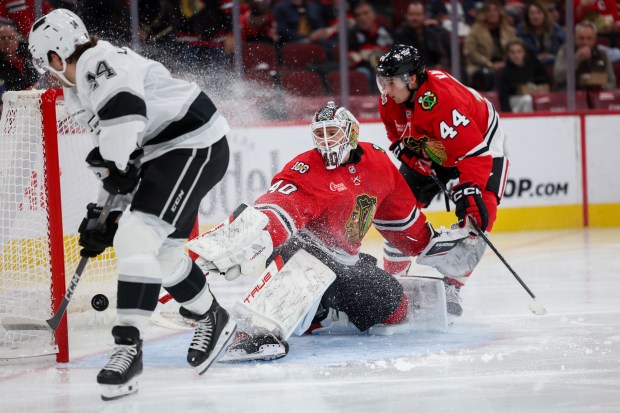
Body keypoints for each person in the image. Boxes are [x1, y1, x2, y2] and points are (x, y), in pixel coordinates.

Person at [28, 9, 236, 401]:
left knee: (136, 238)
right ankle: (212, 315)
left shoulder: (96, 63)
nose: (47, 71)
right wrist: (102, 213)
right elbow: (121, 161)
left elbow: (125, 121)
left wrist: (115, 196)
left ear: (55, 56)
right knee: (163, 255)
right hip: (169, 149)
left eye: (45, 63)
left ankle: (127, 348)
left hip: (192, 143)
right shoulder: (81, 89)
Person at [192, 101, 479, 361]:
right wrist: (261, 233)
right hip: (303, 249)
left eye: (334, 132)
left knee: (394, 306)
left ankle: (322, 311)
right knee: (302, 262)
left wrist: (433, 245)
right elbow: (280, 206)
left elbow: (403, 222)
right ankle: (255, 328)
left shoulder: (378, 162)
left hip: (346, 264)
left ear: (352, 133)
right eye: (321, 134)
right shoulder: (306, 167)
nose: (327, 141)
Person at [375, 44, 509, 315]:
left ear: (412, 78)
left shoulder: (441, 101)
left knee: (478, 219)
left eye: (391, 82)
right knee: (398, 211)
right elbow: (396, 134)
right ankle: (394, 281)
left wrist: (469, 189)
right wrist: (412, 157)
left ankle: (453, 286)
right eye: (382, 82)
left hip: (480, 147)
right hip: (433, 145)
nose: (385, 90)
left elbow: (474, 153)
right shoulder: (391, 99)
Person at [463, 0, 517, 91]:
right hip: (481, 65)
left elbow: (516, 47)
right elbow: (470, 51)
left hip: (506, 64)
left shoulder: (508, 30)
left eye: (495, 10)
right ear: (483, 13)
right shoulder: (476, 30)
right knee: (490, 74)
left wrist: (506, 63)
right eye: (489, 11)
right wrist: (489, 64)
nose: (493, 13)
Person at [553, 20, 616, 91]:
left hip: (596, 94)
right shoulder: (565, 51)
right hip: (571, 94)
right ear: (575, 38)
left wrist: (601, 87)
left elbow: (612, 82)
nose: (585, 42)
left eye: (589, 38)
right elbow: (558, 77)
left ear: (595, 39)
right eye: (581, 38)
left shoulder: (602, 54)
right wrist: (577, 59)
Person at [394, 1, 450, 70]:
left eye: (418, 14)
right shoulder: (400, 35)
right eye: (411, 14)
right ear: (406, 16)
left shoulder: (430, 33)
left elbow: (442, 56)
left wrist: (440, 66)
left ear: (424, 16)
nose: (415, 18)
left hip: (432, 73)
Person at [498, 39, 550, 112]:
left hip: (536, 98)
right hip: (515, 102)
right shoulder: (505, 72)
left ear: (524, 52)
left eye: (519, 51)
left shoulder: (534, 65)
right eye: (512, 52)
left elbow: (544, 82)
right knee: (527, 99)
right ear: (508, 54)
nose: (516, 55)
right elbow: (503, 97)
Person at [515, 0, 565, 68]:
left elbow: (563, 48)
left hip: (554, 62)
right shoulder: (521, 30)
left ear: (544, 14)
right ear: (527, 16)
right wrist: (536, 58)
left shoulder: (555, 28)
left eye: (539, 13)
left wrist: (551, 56)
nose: (535, 17)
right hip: (529, 65)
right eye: (532, 13)